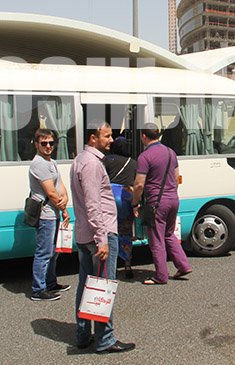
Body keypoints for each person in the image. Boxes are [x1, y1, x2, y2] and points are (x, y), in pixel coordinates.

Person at [71, 121, 135, 354]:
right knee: (102, 286)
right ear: (93, 138)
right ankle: (105, 338)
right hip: (100, 233)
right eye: (106, 136)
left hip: (86, 233)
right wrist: (102, 239)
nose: (111, 140)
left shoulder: (81, 160)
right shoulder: (91, 164)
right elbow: (93, 204)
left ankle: (83, 333)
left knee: (87, 284)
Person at [132, 123, 191, 285]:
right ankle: (183, 265)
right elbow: (176, 177)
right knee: (169, 234)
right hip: (173, 199)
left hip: (156, 203)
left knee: (156, 239)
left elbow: (139, 184)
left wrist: (135, 203)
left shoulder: (145, 156)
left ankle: (161, 276)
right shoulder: (171, 152)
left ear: (144, 136)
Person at [28, 128, 71, 301]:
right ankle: (38, 289)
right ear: (36, 144)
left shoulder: (51, 162)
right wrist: (64, 210)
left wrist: (65, 199)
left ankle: (51, 282)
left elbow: (60, 185)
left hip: (54, 213)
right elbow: (51, 192)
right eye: (44, 143)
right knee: (44, 252)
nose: (48, 146)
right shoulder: (39, 164)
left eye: (51, 143)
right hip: (45, 215)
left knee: (54, 251)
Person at [104, 137, 137, 279]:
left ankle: (111, 263)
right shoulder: (133, 162)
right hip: (127, 196)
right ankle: (127, 264)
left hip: (111, 195)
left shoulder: (107, 160)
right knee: (126, 230)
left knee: (109, 229)